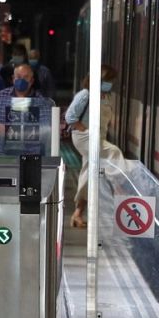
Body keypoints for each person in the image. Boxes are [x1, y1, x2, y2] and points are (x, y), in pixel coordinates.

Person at [67, 66, 129, 227]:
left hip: (98, 137)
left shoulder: (106, 97)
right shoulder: (85, 95)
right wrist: (85, 130)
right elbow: (70, 116)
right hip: (85, 137)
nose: (110, 84)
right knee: (114, 152)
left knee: (89, 173)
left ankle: (77, 214)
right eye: (107, 80)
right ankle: (121, 189)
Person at [0, 62, 51, 151]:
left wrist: (24, 132)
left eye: (26, 77)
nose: (21, 80)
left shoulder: (40, 101)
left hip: (31, 154)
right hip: (3, 153)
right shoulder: (2, 96)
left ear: (32, 81)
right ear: (13, 78)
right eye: (18, 76)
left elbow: (46, 128)